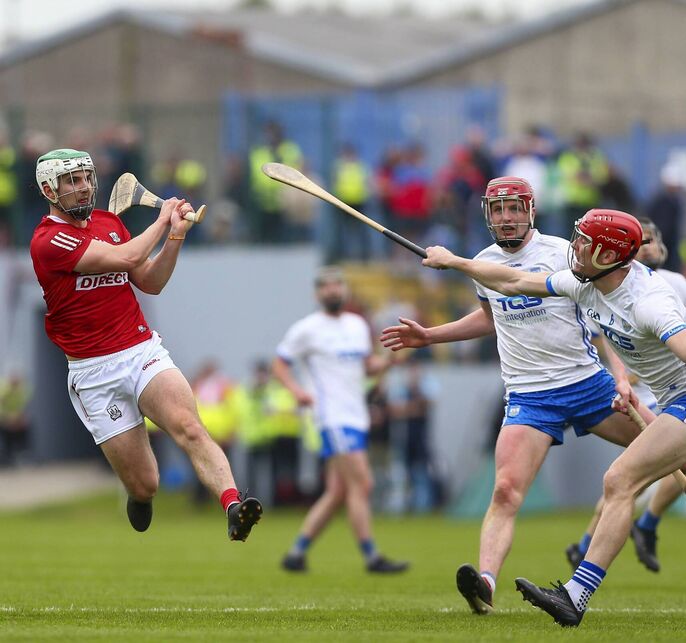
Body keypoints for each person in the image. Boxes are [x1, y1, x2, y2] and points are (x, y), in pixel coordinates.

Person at [421, 209, 686, 628]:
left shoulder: (651, 303)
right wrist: (456, 262)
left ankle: (574, 598)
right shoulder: (586, 284)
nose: (573, 248)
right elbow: (514, 281)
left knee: (620, 480)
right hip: (678, 403)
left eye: (581, 242)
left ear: (606, 253)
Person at [380, 177, 652, 614]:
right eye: (498, 210)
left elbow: (600, 321)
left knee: (674, 450)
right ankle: (485, 585)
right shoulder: (483, 262)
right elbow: (490, 316)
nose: (506, 219)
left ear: (530, 211)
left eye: (514, 209)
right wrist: (430, 336)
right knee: (505, 492)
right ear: (487, 215)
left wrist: (620, 375)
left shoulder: (565, 252)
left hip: (587, 384)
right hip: (529, 395)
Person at [28, 148, 262, 539]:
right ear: (50, 189)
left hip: (140, 351)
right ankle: (140, 495)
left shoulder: (108, 223)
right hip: (93, 372)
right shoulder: (49, 242)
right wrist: (162, 217)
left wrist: (175, 235)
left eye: (86, 177)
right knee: (145, 483)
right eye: (72, 181)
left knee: (189, 426)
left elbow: (150, 281)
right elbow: (128, 255)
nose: (84, 187)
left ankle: (233, 505)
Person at [566, 217, 686, 573]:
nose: (649, 246)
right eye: (642, 240)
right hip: (644, 391)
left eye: (652, 238)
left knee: (629, 478)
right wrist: (621, 379)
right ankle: (603, 539)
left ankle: (639, 527)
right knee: (626, 479)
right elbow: (607, 334)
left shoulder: (670, 285)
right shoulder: (600, 284)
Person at [274, 266, 408, 574]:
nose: (333, 291)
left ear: (344, 290)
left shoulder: (357, 325)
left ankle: (296, 554)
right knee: (363, 482)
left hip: (356, 416)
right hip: (331, 417)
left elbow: (367, 367)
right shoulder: (307, 329)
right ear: (317, 293)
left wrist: (389, 360)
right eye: (326, 287)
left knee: (337, 492)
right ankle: (372, 557)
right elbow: (280, 365)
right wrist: (297, 391)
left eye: (337, 285)